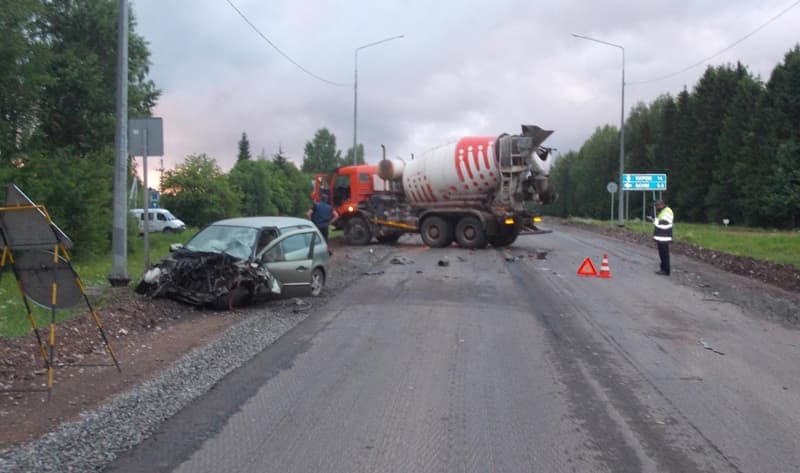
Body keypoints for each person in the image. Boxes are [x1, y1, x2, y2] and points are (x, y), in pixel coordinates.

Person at [647, 199, 674, 275]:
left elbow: (665, 222)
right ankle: (663, 269)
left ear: (661, 205)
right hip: (662, 236)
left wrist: (653, 220)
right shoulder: (663, 211)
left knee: (664, 254)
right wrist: (654, 220)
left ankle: (665, 270)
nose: (656, 208)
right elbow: (661, 221)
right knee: (662, 254)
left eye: (657, 206)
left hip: (664, 236)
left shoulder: (667, 211)